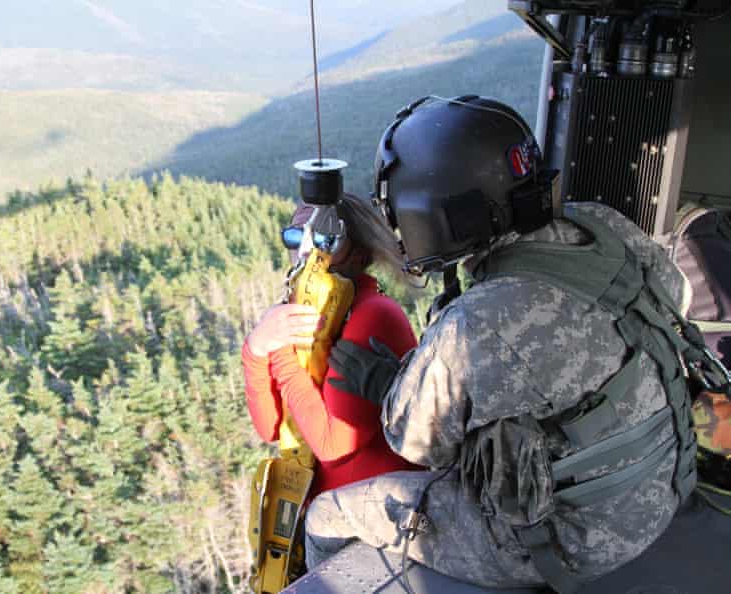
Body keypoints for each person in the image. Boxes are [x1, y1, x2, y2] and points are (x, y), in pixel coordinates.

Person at [303, 95, 716, 593]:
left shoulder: (479, 322)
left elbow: (417, 443)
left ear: (435, 217)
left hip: (583, 539)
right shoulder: (602, 224)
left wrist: (389, 382)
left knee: (327, 514)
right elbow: (677, 293)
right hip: (664, 483)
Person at [242, 192, 423, 503]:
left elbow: (332, 445)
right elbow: (271, 428)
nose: (305, 251)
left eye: (324, 239)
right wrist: (256, 350)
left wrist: (280, 351)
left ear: (359, 254)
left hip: (380, 516)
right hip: (335, 514)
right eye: (295, 236)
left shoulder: (374, 315)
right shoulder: (311, 314)